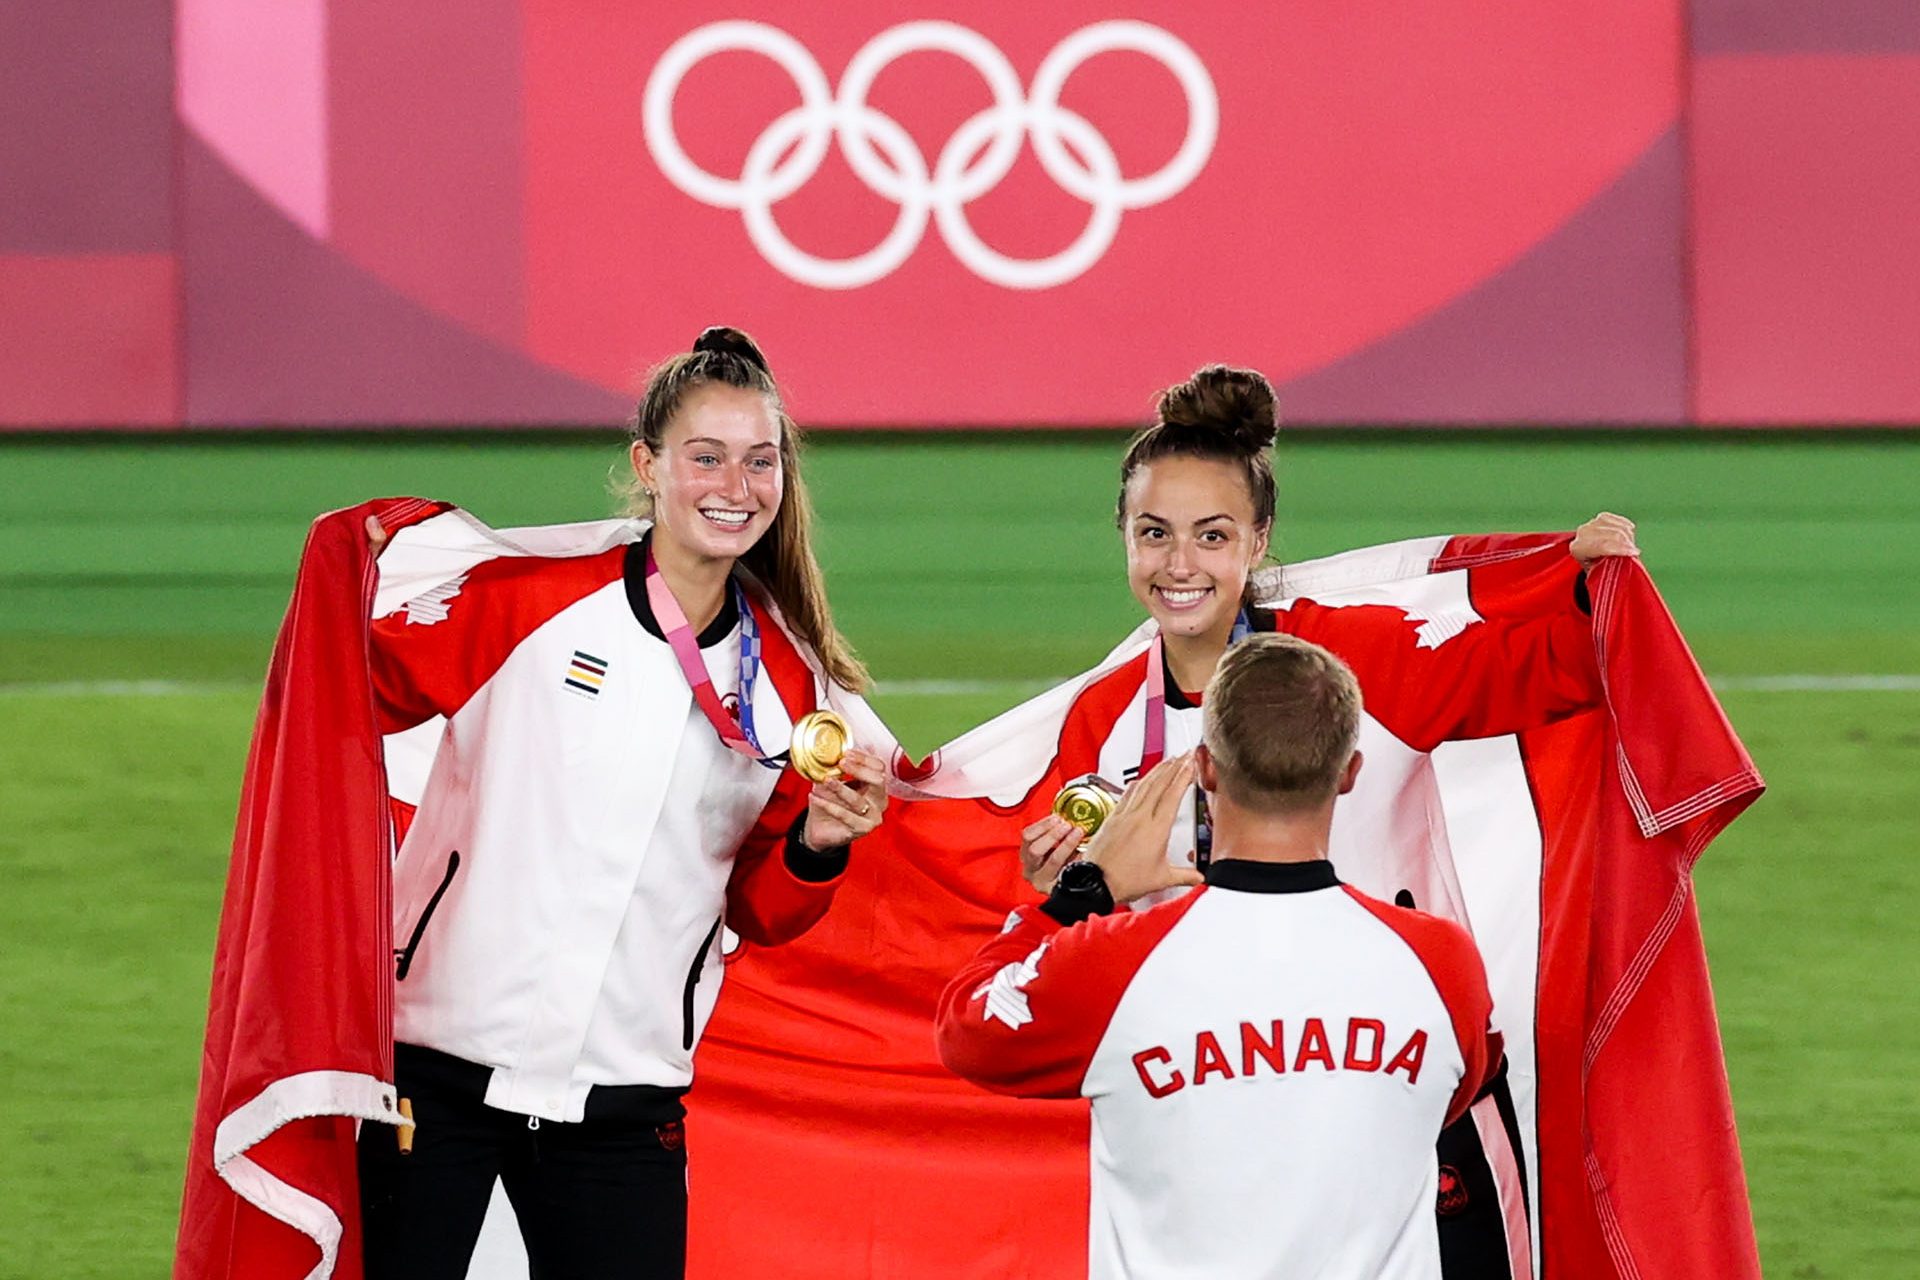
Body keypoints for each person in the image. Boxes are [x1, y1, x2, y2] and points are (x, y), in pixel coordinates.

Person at [995, 363, 1634, 1275]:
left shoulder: (1346, 656)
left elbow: (1529, 670)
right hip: (1219, 1093)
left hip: (1384, 1079)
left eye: (1211, 536)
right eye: (1154, 534)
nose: (1180, 565)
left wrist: (1578, 587)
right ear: (1124, 539)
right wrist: (1066, 887)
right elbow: (1097, 945)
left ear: (1258, 540)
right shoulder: (1100, 721)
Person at [353, 327, 889, 1279]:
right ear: (647, 466)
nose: (736, 484)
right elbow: (353, 691)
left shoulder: (794, 690)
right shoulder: (525, 604)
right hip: (437, 1073)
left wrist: (816, 843)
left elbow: (758, 908)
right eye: (706, 457)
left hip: (622, 1097)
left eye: (759, 461)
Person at [937, 634, 1503, 1278]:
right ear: (1349, 773)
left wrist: (1080, 893)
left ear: (1205, 768)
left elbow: (968, 1028)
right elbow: (1444, 1097)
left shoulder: (1114, 965)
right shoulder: (1440, 961)